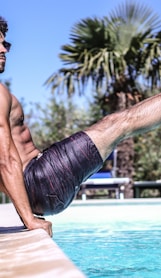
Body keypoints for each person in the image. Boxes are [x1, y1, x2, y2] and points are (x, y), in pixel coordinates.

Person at [1, 17, 161, 237]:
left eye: (6, 44)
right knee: (119, 123)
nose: (4, 50)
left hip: (37, 189)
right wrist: (29, 219)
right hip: (41, 180)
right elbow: (6, 159)